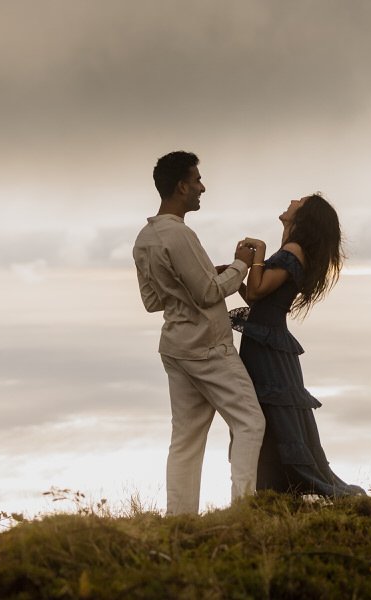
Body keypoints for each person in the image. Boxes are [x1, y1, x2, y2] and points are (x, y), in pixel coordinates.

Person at [133, 151, 268, 515]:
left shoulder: (145, 238)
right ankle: (243, 509)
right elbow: (207, 293)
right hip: (207, 348)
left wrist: (208, 274)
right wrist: (241, 263)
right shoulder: (179, 234)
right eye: (196, 181)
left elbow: (152, 300)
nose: (201, 188)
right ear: (180, 186)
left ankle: (179, 519)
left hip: (175, 347)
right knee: (251, 422)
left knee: (186, 440)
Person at [231, 193, 365, 497]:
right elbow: (256, 298)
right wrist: (234, 278)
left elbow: (258, 289)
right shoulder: (293, 250)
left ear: (304, 216)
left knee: (269, 414)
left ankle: (277, 487)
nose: (292, 200)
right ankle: (273, 489)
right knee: (269, 414)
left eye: (299, 201)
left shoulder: (293, 250)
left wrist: (259, 253)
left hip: (266, 346)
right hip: (264, 340)